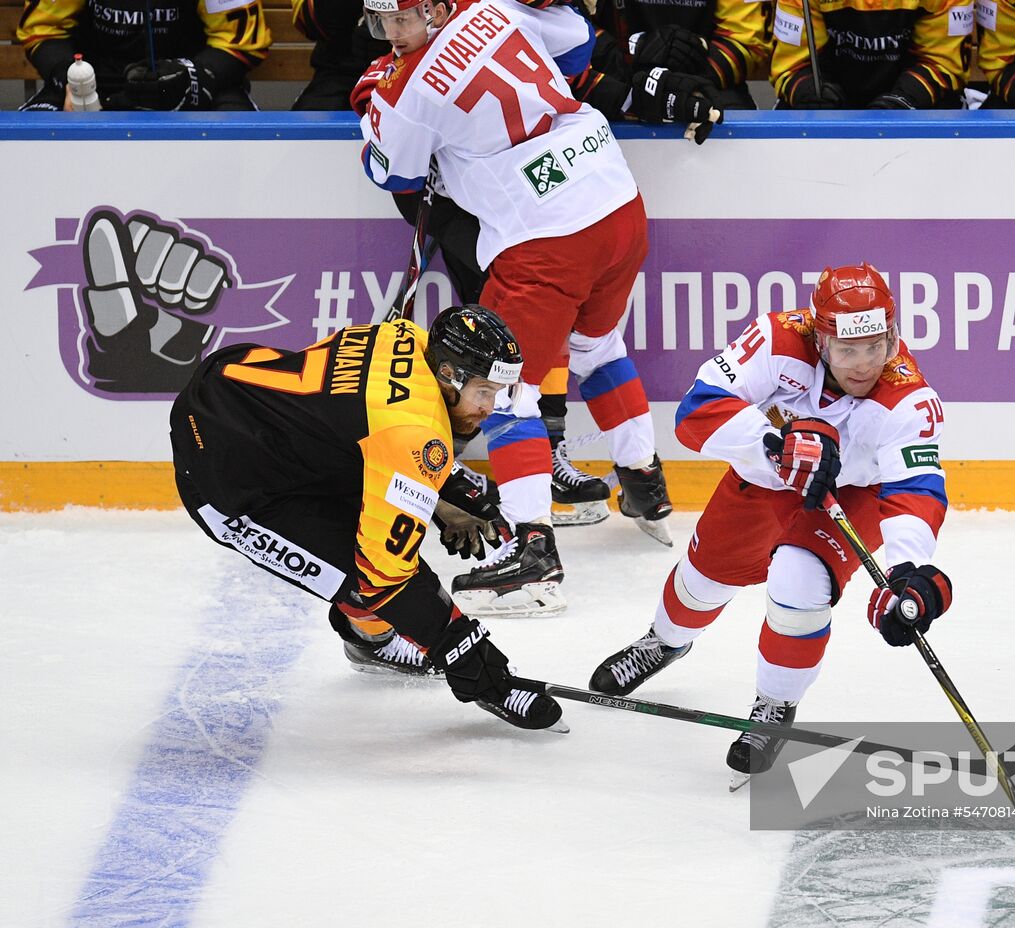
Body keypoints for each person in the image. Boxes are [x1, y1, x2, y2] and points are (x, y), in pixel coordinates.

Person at [357, 0, 693, 615]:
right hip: (614, 198)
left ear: (431, 9)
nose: (392, 34)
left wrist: (377, 101)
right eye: (383, 23)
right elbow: (576, 44)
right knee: (599, 347)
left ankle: (532, 554)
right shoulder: (491, 9)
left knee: (504, 392)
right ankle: (644, 482)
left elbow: (393, 174)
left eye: (400, 19)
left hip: (543, 237)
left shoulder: (406, 83)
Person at [589, 264, 954, 782]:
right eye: (848, 350)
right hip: (770, 475)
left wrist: (909, 570)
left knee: (797, 580)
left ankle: (775, 707)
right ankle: (664, 641)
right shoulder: (781, 337)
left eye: (876, 346)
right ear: (820, 338)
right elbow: (697, 410)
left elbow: (915, 488)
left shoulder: (907, 397)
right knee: (700, 583)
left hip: (852, 496)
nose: (864, 364)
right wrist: (778, 449)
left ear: (892, 334)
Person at [169, 305, 566, 732]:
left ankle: (372, 629)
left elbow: (366, 421)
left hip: (239, 396)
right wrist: (473, 664)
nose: (490, 408)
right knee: (365, 584)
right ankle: (370, 639)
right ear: (448, 374)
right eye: (484, 392)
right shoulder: (410, 432)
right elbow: (384, 576)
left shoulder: (406, 337)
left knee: (368, 521)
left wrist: (442, 494)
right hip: (226, 480)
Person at [16, 0, 270, 111]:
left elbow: (239, 41)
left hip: (192, 83)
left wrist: (192, 77)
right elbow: (44, 30)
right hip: (95, 86)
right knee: (24, 146)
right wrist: (68, 77)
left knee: (241, 135)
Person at [769, 0, 970, 109]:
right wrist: (809, 89)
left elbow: (943, 61)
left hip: (916, 101)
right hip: (830, 103)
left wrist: (903, 99)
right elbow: (793, 62)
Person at [582, 0, 770, 110]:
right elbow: (569, 21)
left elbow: (745, 42)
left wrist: (679, 82)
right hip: (614, 77)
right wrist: (628, 61)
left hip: (707, 80)